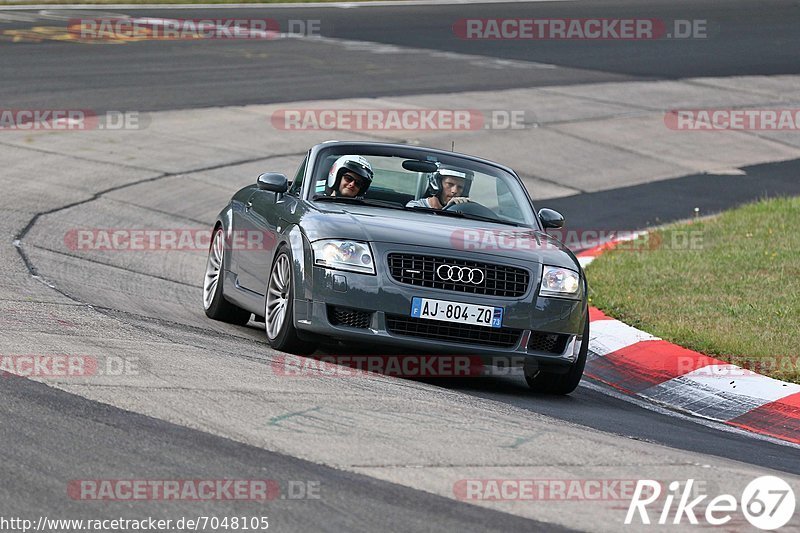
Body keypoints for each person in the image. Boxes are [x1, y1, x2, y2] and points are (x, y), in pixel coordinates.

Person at [406, 166, 473, 209]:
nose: (454, 191)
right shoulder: (414, 206)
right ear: (436, 184)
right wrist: (447, 209)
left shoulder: (462, 213)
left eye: (460, 187)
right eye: (450, 184)